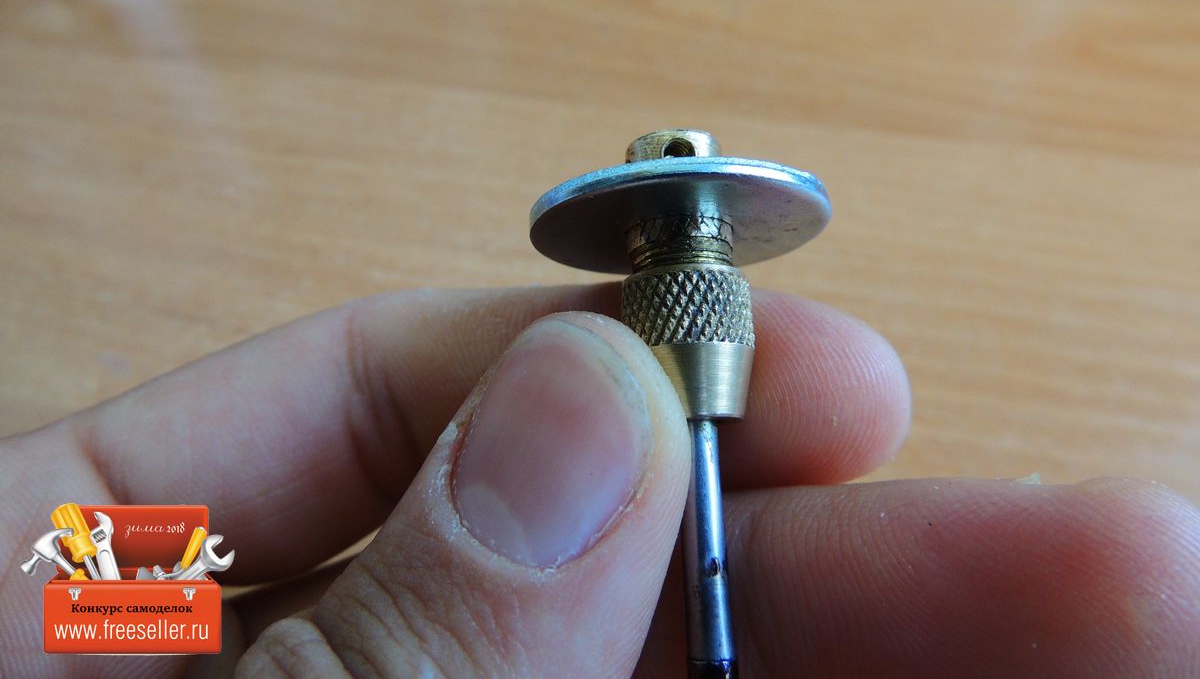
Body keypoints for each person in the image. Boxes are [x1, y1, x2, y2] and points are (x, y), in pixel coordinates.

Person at [2, 285, 1197, 676]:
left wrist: (39, 603)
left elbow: (59, 605)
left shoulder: (54, 596)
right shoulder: (50, 589)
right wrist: (33, 601)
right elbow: (54, 598)